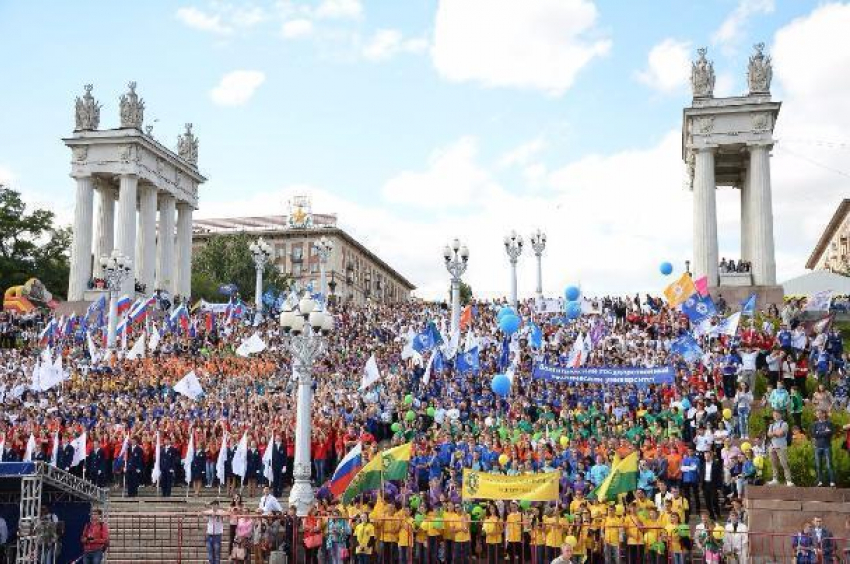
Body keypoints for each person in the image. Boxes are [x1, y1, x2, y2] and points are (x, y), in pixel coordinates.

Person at [767, 410, 794, 486]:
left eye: (777, 414)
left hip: (781, 446)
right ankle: (775, 479)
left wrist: (774, 433)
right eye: (774, 414)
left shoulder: (784, 424)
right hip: (772, 446)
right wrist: (776, 432)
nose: (775, 416)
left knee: (784, 463)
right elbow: (769, 435)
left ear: (780, 415)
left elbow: (781, 434)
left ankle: (788, 480)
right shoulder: (771, 425)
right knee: (774, 464)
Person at [811, 409, 836, 487]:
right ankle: (820, 481)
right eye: (817, 413)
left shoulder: (829, 423)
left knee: (829, 465)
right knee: (818, 465)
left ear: (824, 414)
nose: (818, 415)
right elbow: (814, 434)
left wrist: (819, 433)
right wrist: (824, 432)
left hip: (827, 446)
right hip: (817, 447)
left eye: (820, 413)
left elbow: (830, 433)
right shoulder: (815, 424)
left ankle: (832, 481)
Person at [204, 500, 226, 564]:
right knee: (210, 554)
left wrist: (217, 514)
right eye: (213, 504)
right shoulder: (209, 511)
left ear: (218, 505)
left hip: (217, 535)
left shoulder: (221, 512)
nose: (214, 506)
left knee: (217, 554)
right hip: (209, 534)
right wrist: (209, 513)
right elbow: (202, 513)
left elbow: (228, 514)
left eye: (215, 504)